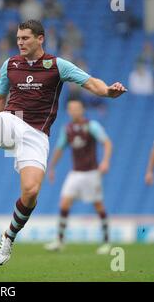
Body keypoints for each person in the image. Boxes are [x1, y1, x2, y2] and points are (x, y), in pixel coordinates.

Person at [0, 20, 126, 266]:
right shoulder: (10, 65)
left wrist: (107, 91)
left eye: (25, 38)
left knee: (30, 192)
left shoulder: (57, 65)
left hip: (37, 134)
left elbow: (89, 82)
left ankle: (9, 236)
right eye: (18, 38)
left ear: (40, 39)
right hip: (12, 120)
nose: (20, 42)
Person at [44, 100, 112, 254]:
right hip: (75, 173)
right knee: (64, 204)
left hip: (91, 173)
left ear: (82, 110)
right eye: (70, 109)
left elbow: (107, 143)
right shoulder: (67, 129)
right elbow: (60, 148)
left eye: (76, 108)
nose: (73, 111)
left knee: (98, 205)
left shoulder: (91, 126)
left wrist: (105, 161)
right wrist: (52, 167)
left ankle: (107, 242)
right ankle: (60, 241)